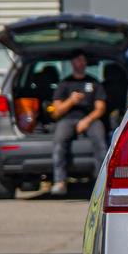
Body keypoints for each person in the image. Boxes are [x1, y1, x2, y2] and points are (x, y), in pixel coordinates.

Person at [47, 52, 107, 197]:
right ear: (72, 63)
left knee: (101, 142)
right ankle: (60, 182)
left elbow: (101, 108)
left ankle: (102, 184)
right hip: (67, 120)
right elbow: (56, 112)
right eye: (76, 60)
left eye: (82, 60)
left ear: (85, 63)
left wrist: (87, 121)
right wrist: (71, 101)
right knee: (59, 141)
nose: (79, 63)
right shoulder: (64, 84)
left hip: (90, 119)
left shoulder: (94, 83)